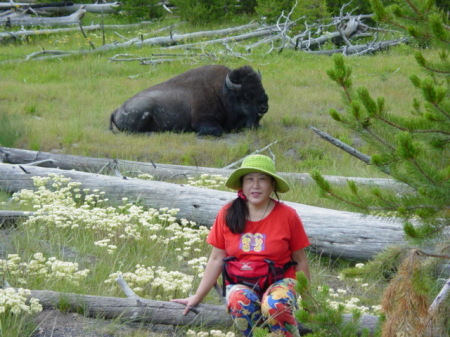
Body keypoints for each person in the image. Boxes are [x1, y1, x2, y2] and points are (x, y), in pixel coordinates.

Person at [171, 154, 310, 337]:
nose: (255, 185)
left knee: (275, 304)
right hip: (242, 281)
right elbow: (216, 258)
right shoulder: (228, 213)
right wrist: (197, 297)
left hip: (280, 279)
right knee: (238, 301)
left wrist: (309, 306)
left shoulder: (288, 216)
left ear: (272, 185)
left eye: (262, 179)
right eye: (249, 179)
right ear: (242, 185)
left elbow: (300, 261)